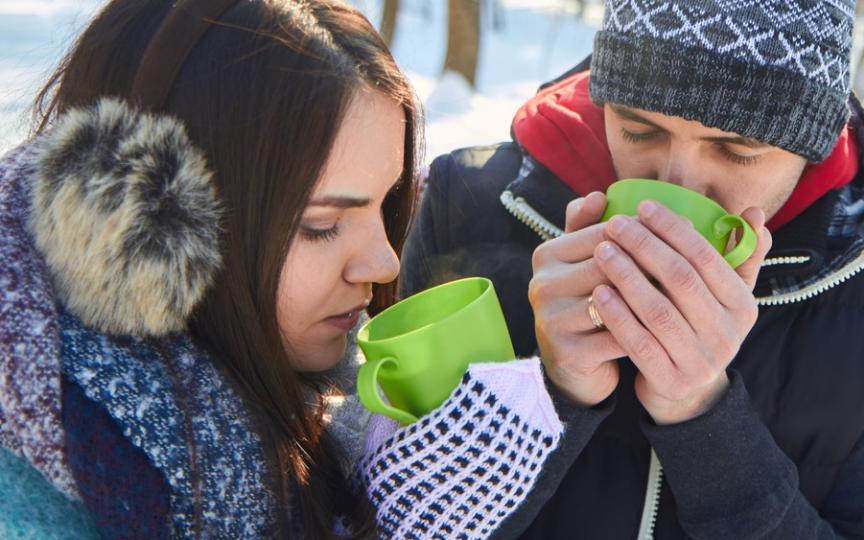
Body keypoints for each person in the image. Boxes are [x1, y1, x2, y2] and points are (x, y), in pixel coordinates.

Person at [0, 1, 575, 538]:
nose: (384, 262)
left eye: (387, 201)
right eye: (321, 224)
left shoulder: (320, 410)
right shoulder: (40, 498)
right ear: (154, 223)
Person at [400, 0, 864, 537]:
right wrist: (548, 396)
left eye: (737, 148)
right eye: (640, 129)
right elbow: (382, 518)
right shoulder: (466, 203)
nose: (676, 189)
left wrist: (703, 417)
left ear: (811, 142)